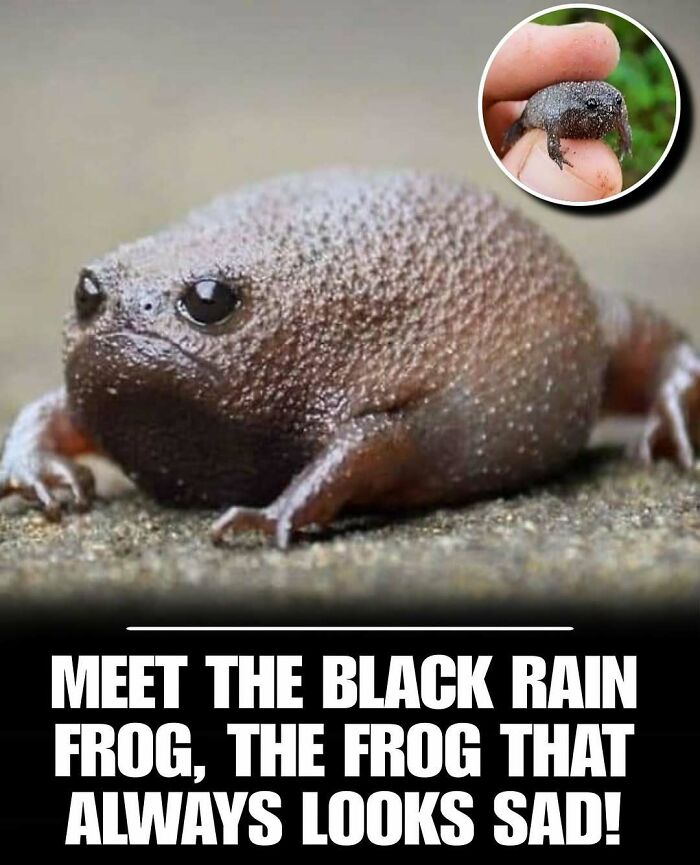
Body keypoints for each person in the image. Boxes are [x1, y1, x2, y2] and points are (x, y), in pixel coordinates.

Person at [483, 22, 623, 202]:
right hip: (532, 112)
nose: (611, 108)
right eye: (593, 105)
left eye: (617, 102)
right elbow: (552, 123)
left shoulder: (613, 102)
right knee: (517, 127)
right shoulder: (567, 111)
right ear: (585, 105)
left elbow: (620, 115)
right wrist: (555, 154)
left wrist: (623, 139)